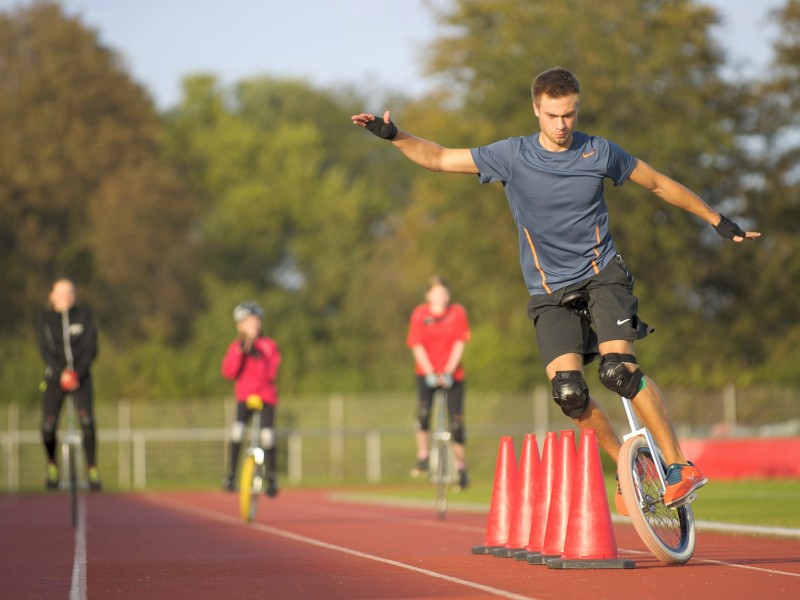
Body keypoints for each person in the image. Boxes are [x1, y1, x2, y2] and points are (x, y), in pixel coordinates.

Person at [352, 67, 761, 514]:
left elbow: (659, 184)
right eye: (552, 115)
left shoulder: (600, 151)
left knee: (618, 372)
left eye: (569, 114)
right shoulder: (511, 155)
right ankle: (631, 470)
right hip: (548, 290)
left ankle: (681, 465)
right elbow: (439, 158)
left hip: (603, 273)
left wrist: (717, 220)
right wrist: (394, 135)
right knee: (569, 393)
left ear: (577, 107)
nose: (562, 125)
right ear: (536, 110)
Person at [35, 278, 101, 491]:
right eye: (61, 293)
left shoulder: (84, 317)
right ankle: (52, 465)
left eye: (69, 292)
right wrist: (62, 372)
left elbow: (91, 348)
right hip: (54, 378)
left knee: (87, 421)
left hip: (81, 378)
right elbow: (45, 350)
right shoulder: (44, 320)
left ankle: (92, 469)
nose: (65, 297)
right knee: (48, 426)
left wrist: (76, 373)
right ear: (52, 296)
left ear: (75, 295)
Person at [407, 276, 471, 489]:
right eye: (436, 293)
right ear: (428, 295)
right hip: (427, 373)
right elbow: (417, 345)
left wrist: (449, 371)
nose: (441, 297)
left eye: (444, 292)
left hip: (453, 374)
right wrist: (430, 372)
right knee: (424, 412)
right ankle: (423, 455)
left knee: (456, 423)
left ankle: (461, 467)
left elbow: (459, 343)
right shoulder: (420, 314)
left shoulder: (457, 312)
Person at [221, 301, 282, 497]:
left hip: (266, 396)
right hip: (244, 395)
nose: (254, 324)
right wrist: (241, 353)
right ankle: (230, 475)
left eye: (256, 320)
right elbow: (229, 372)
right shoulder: (235, 347)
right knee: (237, 432)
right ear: (240, 326)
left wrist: (257, 356)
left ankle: (272, 477)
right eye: (249, 321)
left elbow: (270, 373)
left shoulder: (269, 346)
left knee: (268, 436)